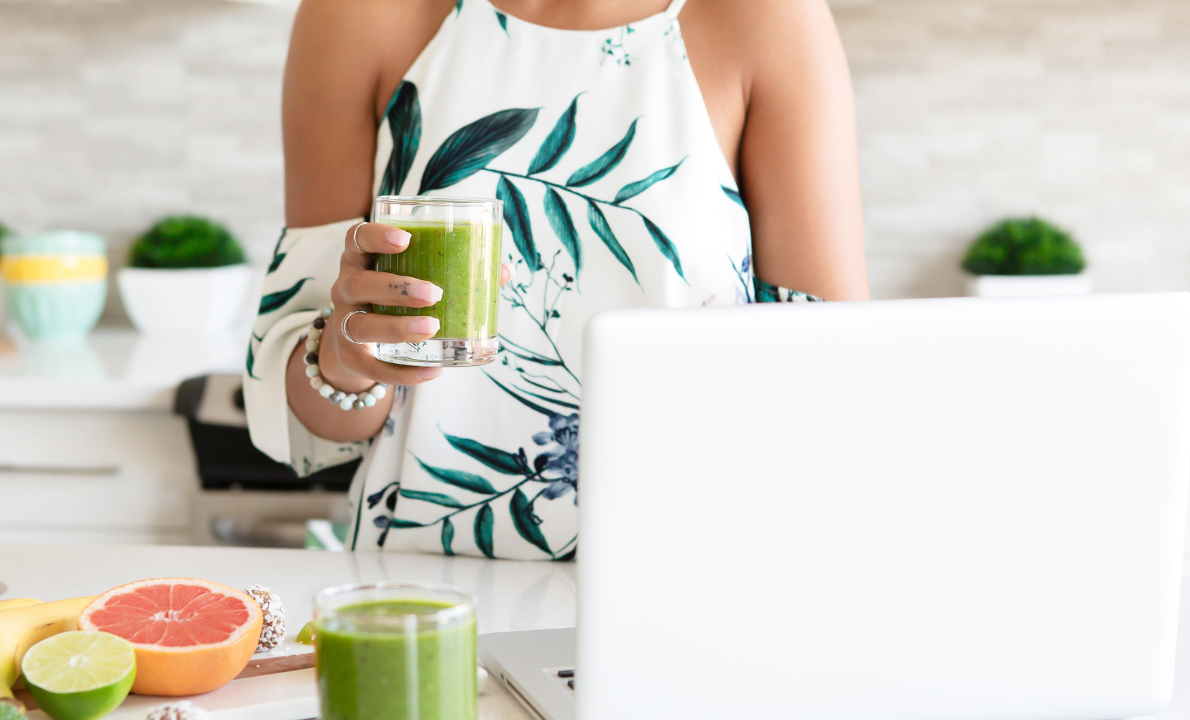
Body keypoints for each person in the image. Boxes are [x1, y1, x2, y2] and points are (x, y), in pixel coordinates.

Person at [245, 0, 869, 558]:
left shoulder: (768, 18)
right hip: (422, 598)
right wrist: (348, 360)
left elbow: (837, 392)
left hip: (692, 580)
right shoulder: (357, 15)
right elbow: (310, 428)